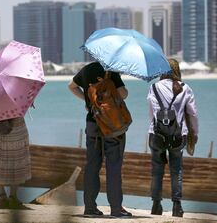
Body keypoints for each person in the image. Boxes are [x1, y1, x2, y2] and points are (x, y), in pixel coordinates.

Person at [68, 62, 132, 217]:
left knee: (92, 166)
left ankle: (90, 208)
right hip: (112, 124)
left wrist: (87, 100)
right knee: (114, 167)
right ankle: (116, 208)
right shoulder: (111, 71)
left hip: (93, 122)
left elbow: (71, 86)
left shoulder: (86, 69)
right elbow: (122, 94)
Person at [147, 58, 198, 217]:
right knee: (177, 171)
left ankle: (156, 205)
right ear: (177, 71)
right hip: (178, 135)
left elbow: (152, 114)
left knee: (157, 171)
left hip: (157, 135)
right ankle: (177, 206)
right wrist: (194, 134)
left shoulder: (154, 87)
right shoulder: (185, 88)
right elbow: (193, 114)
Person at [0, 117, 31, 209]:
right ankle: (13, 196)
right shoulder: (18, 103)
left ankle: (2, 196)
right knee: (17, 161)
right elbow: (23, 107)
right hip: (17, 128)